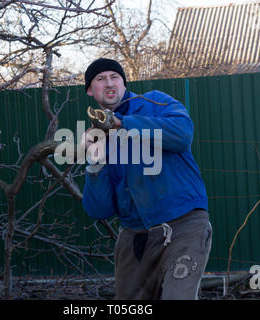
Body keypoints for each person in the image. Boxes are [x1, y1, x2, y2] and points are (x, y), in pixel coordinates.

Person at [82, 58, 212, 300]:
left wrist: (123, 124)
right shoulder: (98, 136)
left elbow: (182, 134)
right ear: (90, 90)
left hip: (183, 226)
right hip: (135, 238)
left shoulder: (154, 102)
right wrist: (95, 160)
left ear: (124, 82)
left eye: (114, 77)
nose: (109, 83)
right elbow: (99, 210)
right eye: (100, 79)